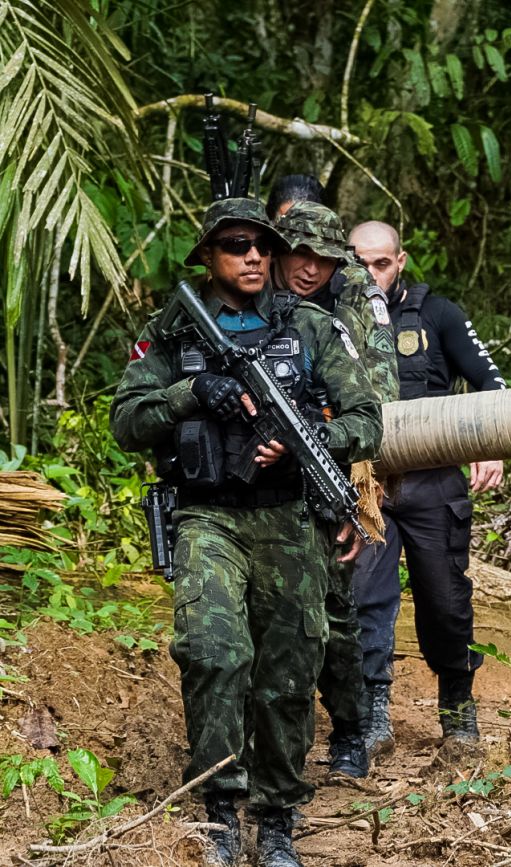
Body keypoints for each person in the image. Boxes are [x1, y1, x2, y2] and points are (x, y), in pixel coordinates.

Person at [110, 197, 383, 867]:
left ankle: (278, 815)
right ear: (207, 255)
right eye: (236, 244)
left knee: (289, 669)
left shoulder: (311, 327)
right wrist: (191, 394)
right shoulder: (173, 331)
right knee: (210, 648)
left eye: (262, 244)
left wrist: (312, 440)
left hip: (289, 518)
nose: (255, 255)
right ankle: (219, 811)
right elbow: (126, 422)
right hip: (208, 513)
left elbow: (367, 418)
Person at [348, 219, 506, 754]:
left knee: (444, 600)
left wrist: (487, 441)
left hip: (435, 482)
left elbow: (492, 384)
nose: (370, 274)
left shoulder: (438, 315)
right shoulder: (329, 319)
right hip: (366, 486)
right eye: (359, 262)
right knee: (366, 598)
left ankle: (458, 712)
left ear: (401, 261)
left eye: (381, 263)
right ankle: (372, 716)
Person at [268, 201, 399, 780]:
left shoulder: (348, 307)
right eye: (299, 254)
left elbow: (374, 403)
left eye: (323, 259)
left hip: (329, 471)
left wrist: (348, 479)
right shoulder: (243, 305)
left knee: (336, 617)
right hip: (253, 485)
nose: (309, 269)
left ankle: (350, 726)